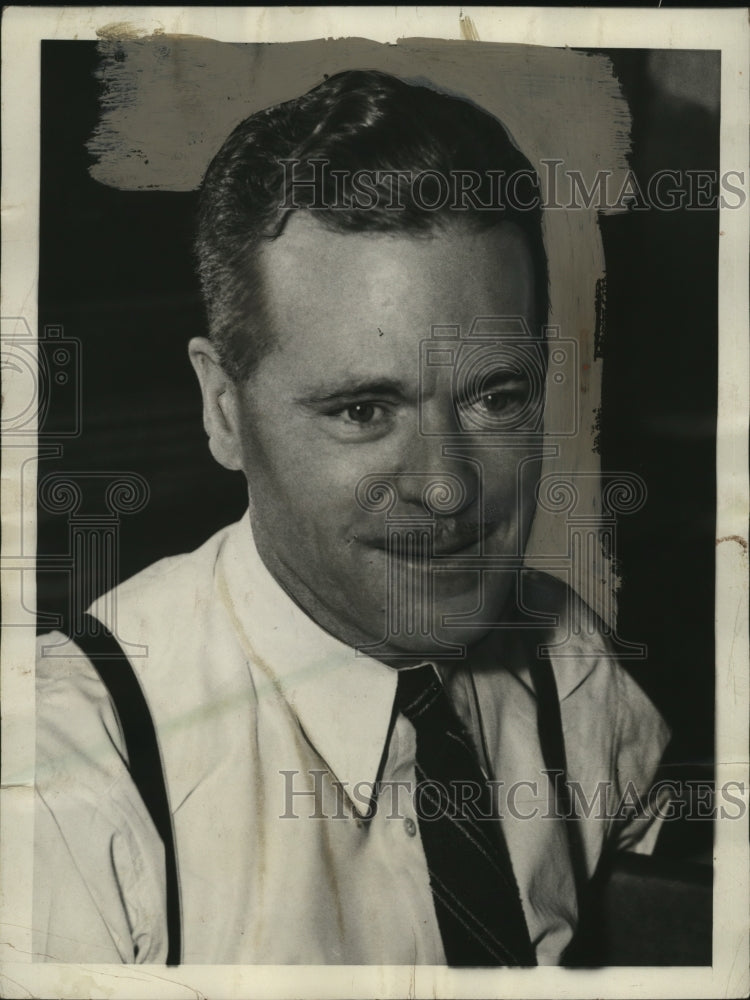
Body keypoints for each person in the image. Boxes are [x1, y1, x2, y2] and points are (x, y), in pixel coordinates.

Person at [33, 70, 669, 966]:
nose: (446, 489)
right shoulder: (68, 783)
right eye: (363, 410)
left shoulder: (571, 671)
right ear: (224, 410)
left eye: (495, 395)